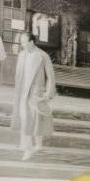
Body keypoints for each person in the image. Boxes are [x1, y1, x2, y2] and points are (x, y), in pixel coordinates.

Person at [12, 30, 56, 159]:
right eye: (21, 43)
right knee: (25, 118)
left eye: (24, 42)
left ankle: (34, 146)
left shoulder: (42, 56)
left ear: (31, 42)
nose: (22, 45)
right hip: (22, 91)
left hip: (36, 92)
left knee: (35, 119)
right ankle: (27, 146)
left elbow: (51, 76)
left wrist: (48, 93)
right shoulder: (22, 55)